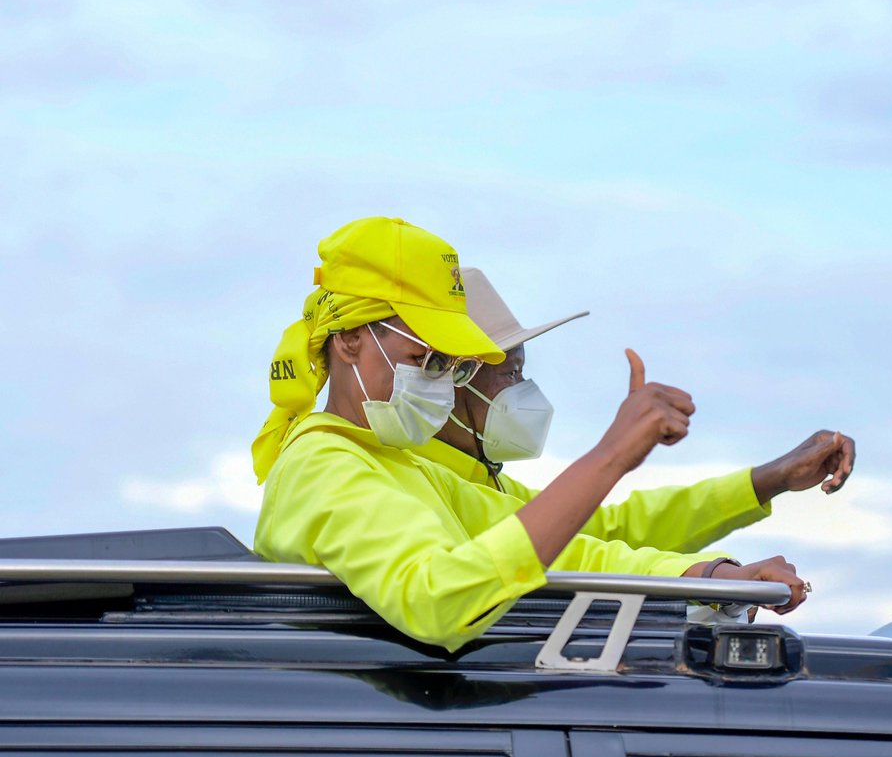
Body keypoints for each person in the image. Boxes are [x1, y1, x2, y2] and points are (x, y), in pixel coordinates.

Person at [251, 216, 820, 652]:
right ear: (349, 340)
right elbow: (438, 600)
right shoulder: (323, 463)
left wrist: (710, 578)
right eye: (424, 359)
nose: (441, 382)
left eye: (452, 367)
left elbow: (580, 549)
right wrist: (613, 454)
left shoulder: (403, 466)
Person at [415, 267, 857, 559]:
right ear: (453, 379)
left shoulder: (486, 481)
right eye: (512, 375)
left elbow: (610, 531)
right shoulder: (423, 483)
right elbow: (584, 556)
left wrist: (772, 477)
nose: (524, 391)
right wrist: (711, 577)